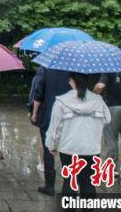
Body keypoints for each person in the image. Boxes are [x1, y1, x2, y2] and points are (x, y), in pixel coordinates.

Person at [46, 73, 111, 200]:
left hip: (68, 148)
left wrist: (51, 145)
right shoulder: (98, 100)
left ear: (72, 81)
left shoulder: (61, 101)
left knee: (70, 180)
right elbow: (107, 119)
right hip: (91, 148)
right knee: (88, 181)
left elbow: (54, 128)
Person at [30, 66, 71, 196]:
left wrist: (34, 112)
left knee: (48, 149)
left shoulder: (45, 68)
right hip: (68, 116)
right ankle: (68, 185)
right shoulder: (72, 68)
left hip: (49, 114)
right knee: (68, 150)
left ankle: (50, 186)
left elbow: (38, 92)